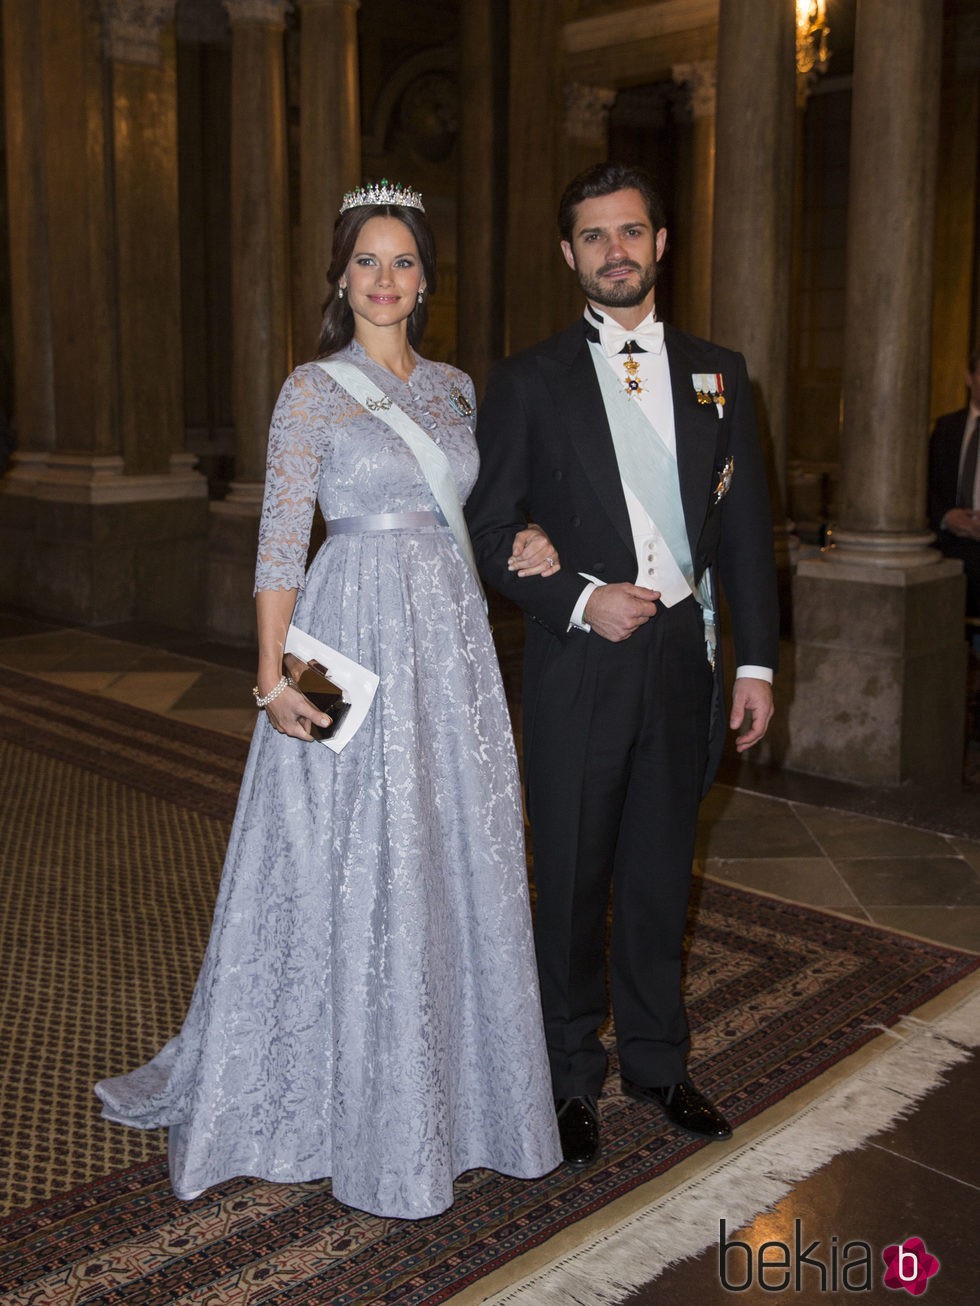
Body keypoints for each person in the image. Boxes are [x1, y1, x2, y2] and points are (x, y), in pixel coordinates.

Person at [96, 180, 562, 1219]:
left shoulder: (453, 388)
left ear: (425, 279)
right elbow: (277, 544)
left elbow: (471, 520)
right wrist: (270, 678)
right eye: (366, 261)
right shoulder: (310, 390)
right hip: (343, 627)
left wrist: (522, 537)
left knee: (449, 850)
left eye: (402, 261)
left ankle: (462, 1095)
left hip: (447, 643)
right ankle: (320, 1092)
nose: (384, 279)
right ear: (339, 278)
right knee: (329, 849)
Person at [465, 162, 779, 1169]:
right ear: (568, 254)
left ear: (659, 242)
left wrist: (756, 664)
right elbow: (486, 525)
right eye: (594, 236)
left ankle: (655, 1061)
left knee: (654, 876)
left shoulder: (718, 371)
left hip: (682, 668)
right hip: (578, 664)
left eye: (630, 232)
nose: (614, 251)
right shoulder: (525, 379)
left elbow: (741, 534)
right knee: (569, 875)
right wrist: (573, 597)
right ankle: (565, 1074)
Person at [928, 348, 980, 621]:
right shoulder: (947, 428)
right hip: (949, 546)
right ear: (969, 378)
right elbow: (922, 487)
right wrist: (947, 516)